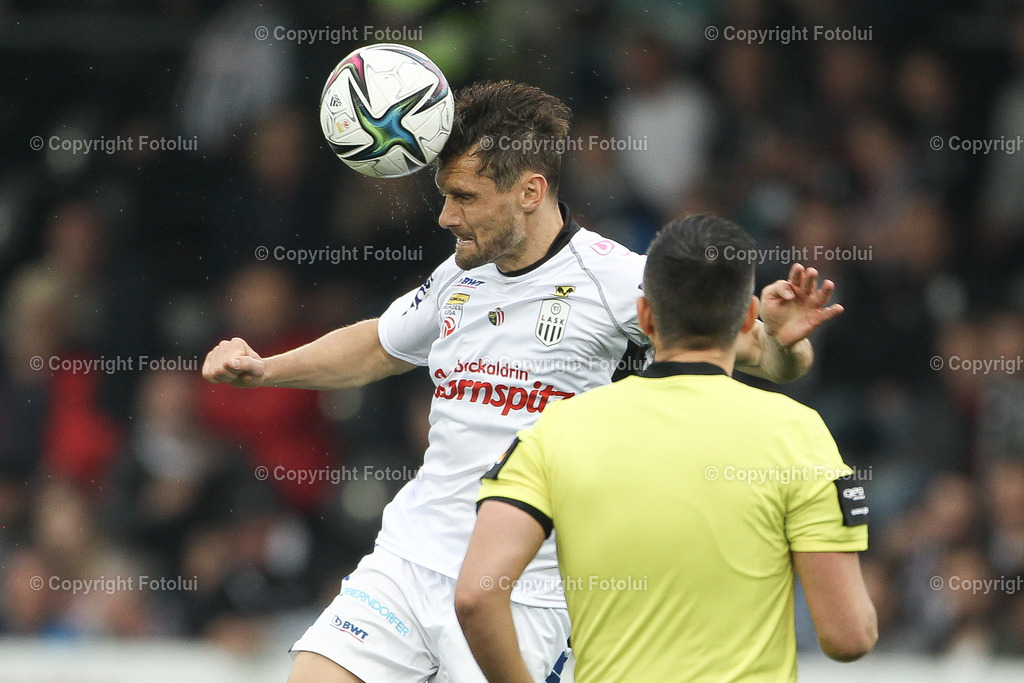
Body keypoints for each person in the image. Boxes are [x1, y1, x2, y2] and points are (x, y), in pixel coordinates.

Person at [202, 81, 842, 682]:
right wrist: (265, 370)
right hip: (410, 557)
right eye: (445, 195)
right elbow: (378, 345)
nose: (447, 217)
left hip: (530, 587)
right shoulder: (460, 274)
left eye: (466, 198)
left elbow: (759, 357)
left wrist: (787, 345)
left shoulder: (620, 282)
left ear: (531, 192)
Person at [455, 215, 877, 682]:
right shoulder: (797, 435)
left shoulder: (557, 429)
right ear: (749, 318)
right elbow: (847, 636)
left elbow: (476, 597)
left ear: (645, 316)